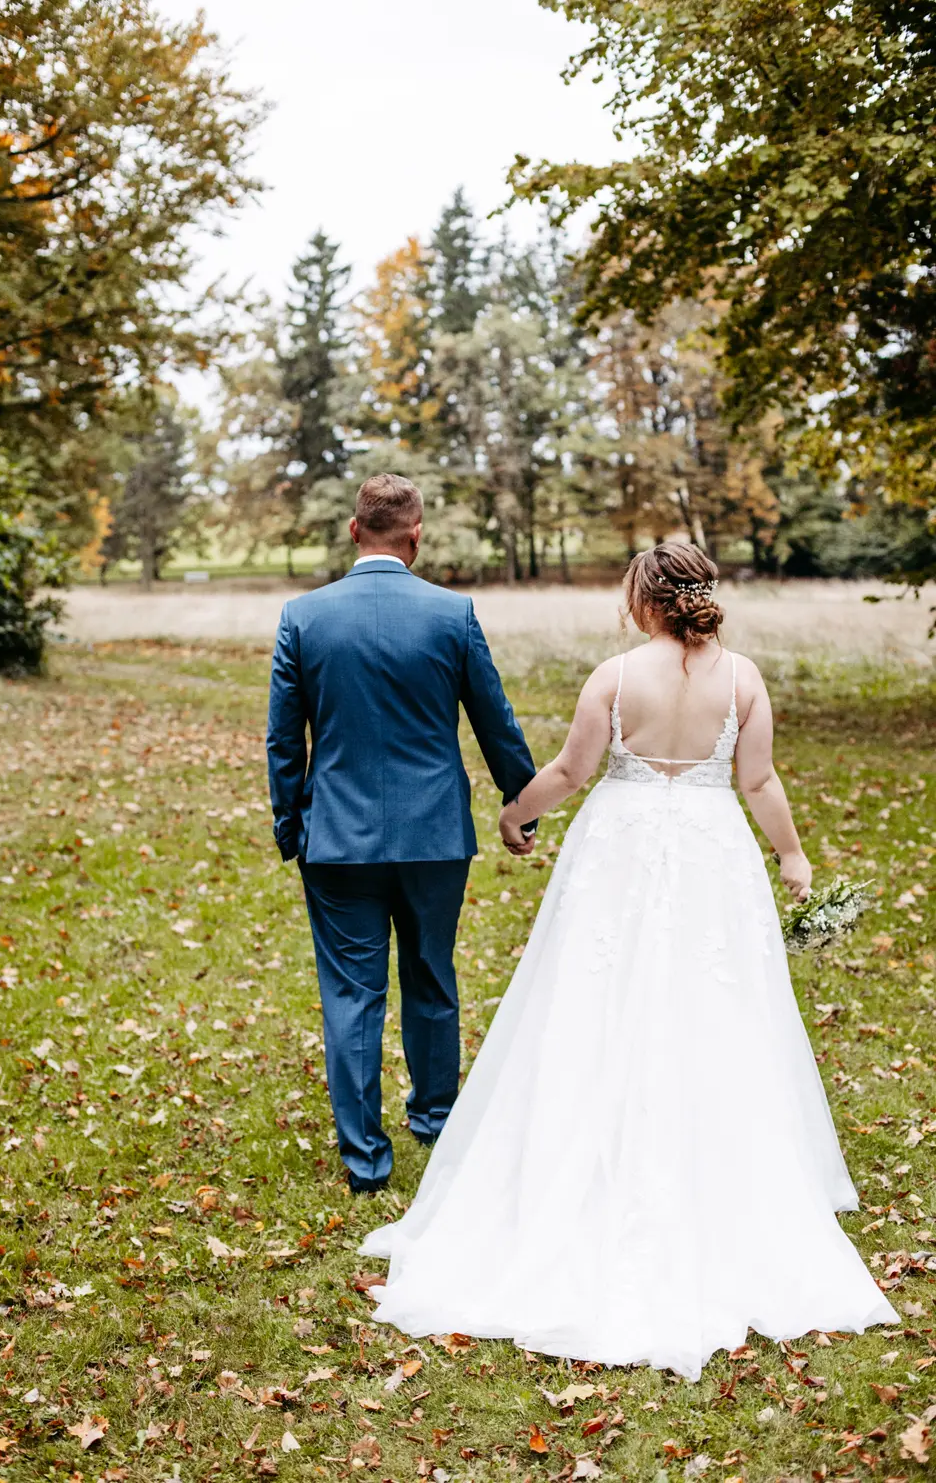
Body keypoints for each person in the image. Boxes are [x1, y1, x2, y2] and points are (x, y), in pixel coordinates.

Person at [362, 541, 895, 1379]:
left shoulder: (614, 676)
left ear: (643, 598)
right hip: (714, 849)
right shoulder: (744, 678)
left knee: (595, 999)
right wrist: (791, 857)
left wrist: (515, 814)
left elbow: (574, 769)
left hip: (620, 846)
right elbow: (758, 781)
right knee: (716, 1006)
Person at [266, 474, 537, 1194]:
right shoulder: (453, 614)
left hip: (337, 839)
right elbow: (494, 719)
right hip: (435, 836)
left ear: (354, 531)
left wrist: (291, 825)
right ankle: (437, 1121)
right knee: (430, 976)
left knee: (352, 994)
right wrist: (524, 798)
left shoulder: (303, 616)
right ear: (416, 536)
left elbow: (283, 741)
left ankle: (365, 1160)